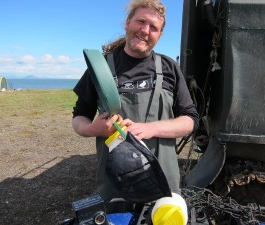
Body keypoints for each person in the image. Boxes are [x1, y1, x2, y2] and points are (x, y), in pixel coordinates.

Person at [72, 0, 199, 201]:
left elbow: (190, 120)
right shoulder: (101, 68)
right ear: (128, 23)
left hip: (163, 183)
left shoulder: (169, 67)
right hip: (115, 185)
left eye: (154, 28)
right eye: (141, 21)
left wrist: (150, 129)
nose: (145, 30)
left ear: (160, 35)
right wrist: (94, 129)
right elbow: (79, 118)